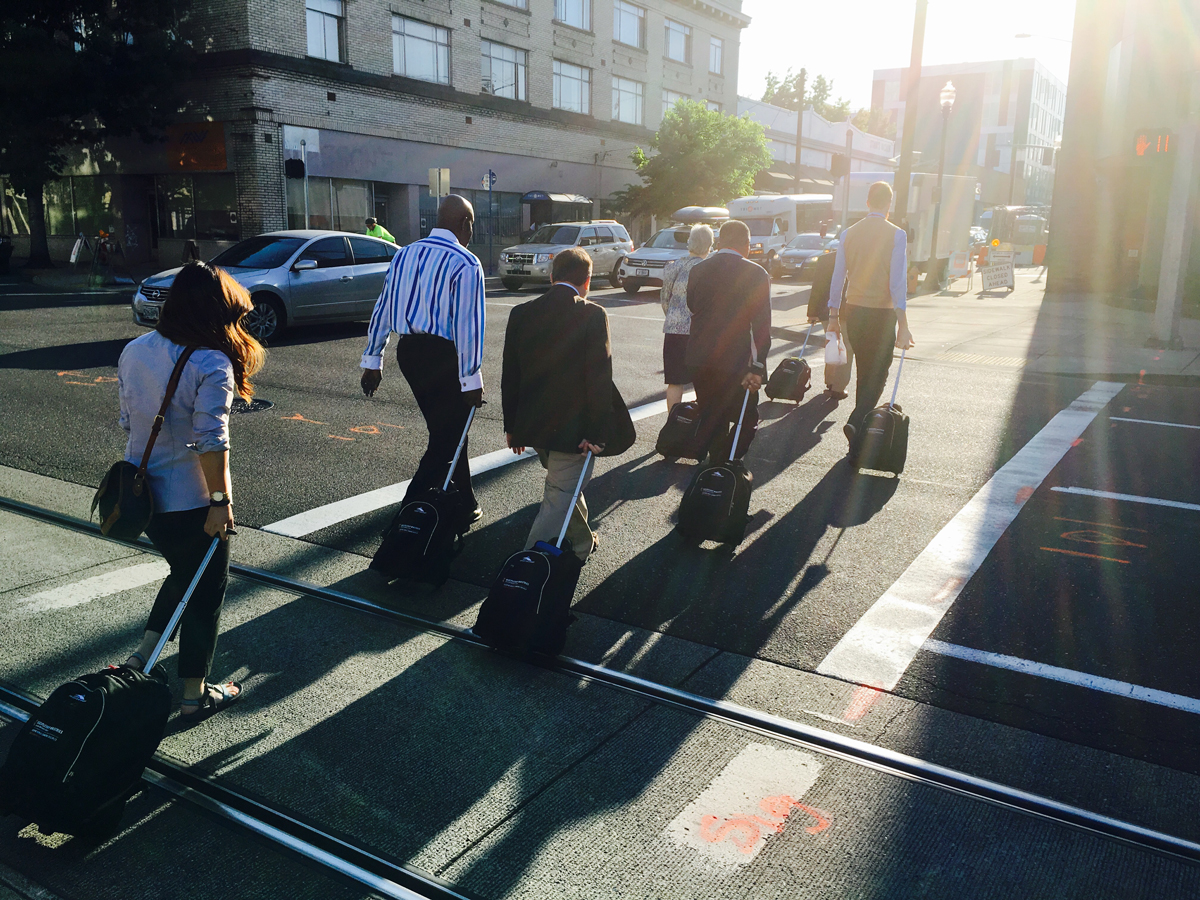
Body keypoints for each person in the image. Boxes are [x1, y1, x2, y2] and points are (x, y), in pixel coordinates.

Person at [119, 262, 264, 720]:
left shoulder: (134, 350)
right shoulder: (210, 362)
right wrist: (220, 502)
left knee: (183, 573)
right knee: (206, 593)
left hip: (142, 497)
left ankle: (141, 657)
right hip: (193, 502)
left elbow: (127, 421)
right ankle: (193, 695)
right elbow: (211, 440)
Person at [360, 195, 486, 527]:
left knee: (448, 430)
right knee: (447, 436)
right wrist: (471, 379)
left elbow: (383, 306)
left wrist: (373, 360)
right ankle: (408, 514)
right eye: (472, 224)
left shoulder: (404, 254)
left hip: (409, 354)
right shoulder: (466, 262)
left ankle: (465, 501)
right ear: (465, 224)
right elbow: (469, 327)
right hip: (444, 357)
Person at [502, 248, 614, 562]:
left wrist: (513, 426)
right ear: (587, 281)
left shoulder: (521, 313)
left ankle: (581, 543)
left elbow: (511, 375)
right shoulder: (593, 314)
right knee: (559, 494)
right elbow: (599, 378)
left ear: (552, 277)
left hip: (533, 424)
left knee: (563, 488)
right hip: (573, 429)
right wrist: (597, 432)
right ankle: (526, 566)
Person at [827, 181, 915, 453]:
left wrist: (833, 315)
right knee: (877, 373)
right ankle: (857, 421)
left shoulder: (848, 234)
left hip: (854, 310)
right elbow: (897, 283)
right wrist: (903, 325)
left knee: (864, 370)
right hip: (882, 314)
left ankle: (858, 435)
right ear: (889, 203)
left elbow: (838, 277)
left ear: (867, 202)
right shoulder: (896, 235)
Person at [685, 220, 772, 461]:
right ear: (746, 244)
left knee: (712, 415)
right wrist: (757, 367)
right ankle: (727, 461)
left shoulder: (698, 270)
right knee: (747, 416)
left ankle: (716, 461)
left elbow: (692, 305)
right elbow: (761, 325)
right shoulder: (756, 273)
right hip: (736, 359)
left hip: (699, 356)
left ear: (719, 242)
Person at [659, 224, 714, 411]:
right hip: (700, 332)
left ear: (689, 242)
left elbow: (665, 299)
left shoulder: (674, 267)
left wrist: (673, 316)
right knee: (703, 380)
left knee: (675, 380)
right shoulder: (710, 269)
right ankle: (703, 419)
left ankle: (673, 421)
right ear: (709, 245)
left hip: (674, 329)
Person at [806, 239, 853, 400]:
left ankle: (830, 381)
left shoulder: (825, 260)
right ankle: (839, 387)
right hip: (847, 311)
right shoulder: (856, 259)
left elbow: (817, 287)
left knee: (832, 343)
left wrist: (812, 312)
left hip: (826, 310)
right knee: (846, 347)